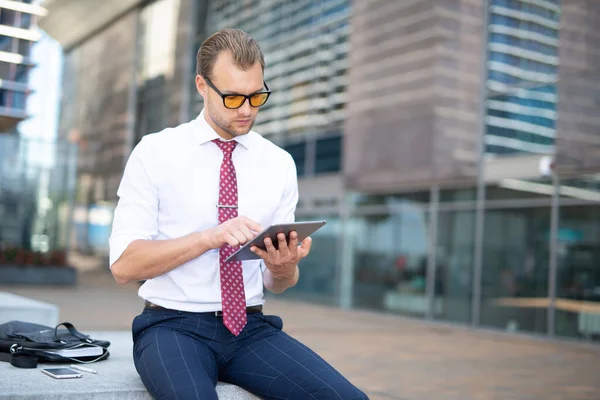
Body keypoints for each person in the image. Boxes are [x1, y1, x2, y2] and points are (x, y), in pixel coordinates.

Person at [108, 28, 368, 400]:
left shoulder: (279, 163)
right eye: (232, 97)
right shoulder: (155, 152)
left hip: (250, 328)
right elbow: (123, 266)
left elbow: (278, 283)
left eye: (256, 95)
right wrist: (209, 237)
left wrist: (282, 266)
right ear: (202, 85)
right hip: (171, 327)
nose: (247, 109)